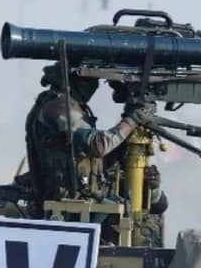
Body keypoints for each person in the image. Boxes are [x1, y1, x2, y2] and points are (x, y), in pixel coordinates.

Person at [23, 64, 155, 205]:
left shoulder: (64, 103)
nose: (94, 86)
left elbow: (89, 156)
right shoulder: (59, 106)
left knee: (152, 201)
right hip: (69, 202)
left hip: (82, 196)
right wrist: (133, 119)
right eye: (89, 80)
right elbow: (99, 145)